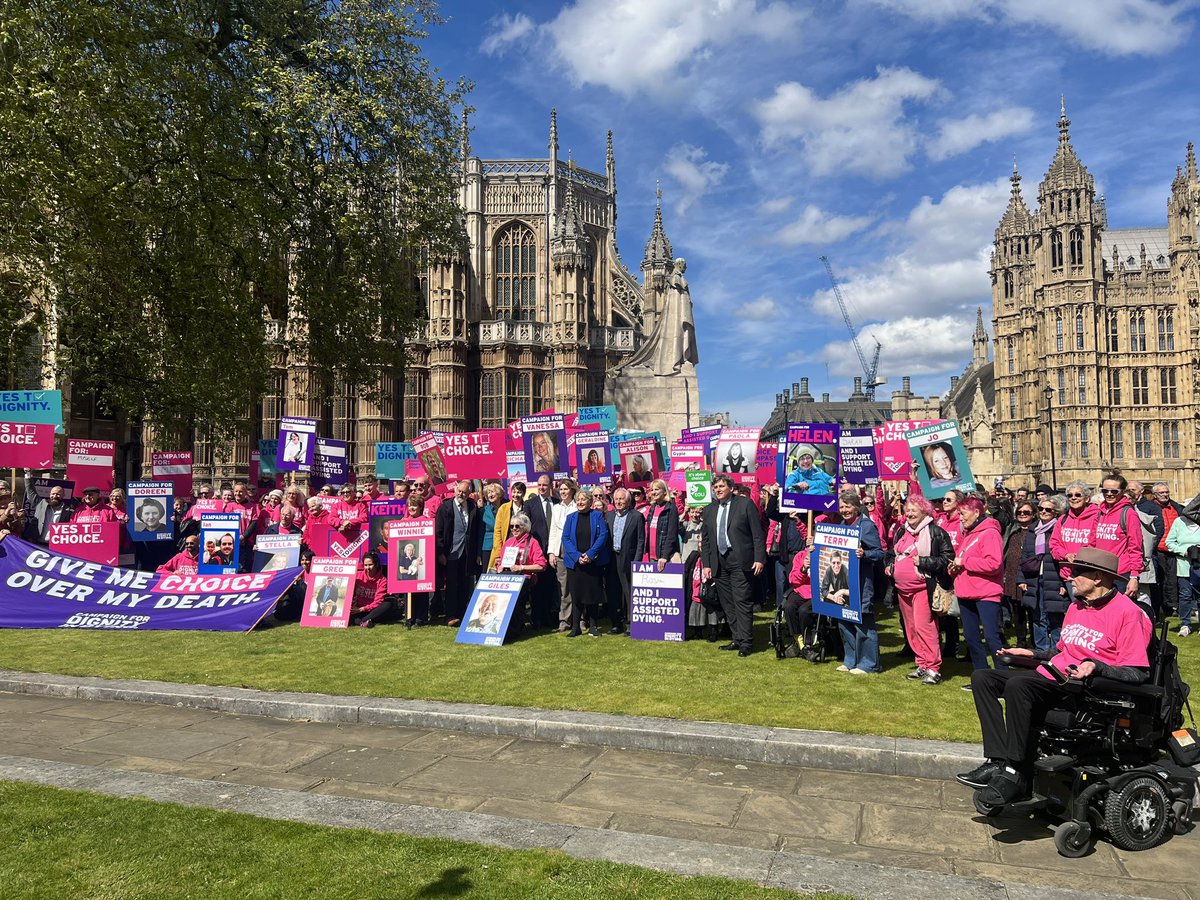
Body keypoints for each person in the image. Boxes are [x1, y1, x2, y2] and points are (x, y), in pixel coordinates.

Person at [958, 548, 1152, 805]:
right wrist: (1031, 653)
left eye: (1076, 573)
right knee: (983, 677)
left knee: (1019, 684)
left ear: (1097, 577)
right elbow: (1062, 650)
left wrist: (1096, 666)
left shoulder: (1129, 614)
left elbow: (1137, 671)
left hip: (1085, 688)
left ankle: (1015, 771)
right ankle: (996, 760)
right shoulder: (1077, 607)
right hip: (1055, 675)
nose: (1070, 578)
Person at [887, 495, 953, 685]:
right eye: (907, 511)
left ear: (925, 511)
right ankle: (922, 663)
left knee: (925, 627)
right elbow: (894, 553)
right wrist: (890, 565)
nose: (909, 514)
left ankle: (934, 668)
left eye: (913, 510)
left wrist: (923, 562)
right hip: (902, 589)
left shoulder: (936, 533)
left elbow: (947, 559)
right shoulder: (902, 531)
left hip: (923, 588)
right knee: (911, 628)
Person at [701, 474, 764, 656]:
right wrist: (707, 563)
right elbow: (705, 540)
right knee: (728, 603)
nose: (718, 490)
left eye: (721, 486)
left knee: (741, 600)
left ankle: (746, 642)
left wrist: (759, 558)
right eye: (715, 487)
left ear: (730, 487)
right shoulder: (710, 509)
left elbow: (757, 534)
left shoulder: (744, 505)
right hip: (719, 562)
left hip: (741, 560)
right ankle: (737, 638)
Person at [827, 490, 885, 674]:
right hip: (843, 583)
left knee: (863, 623)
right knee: (844, 621)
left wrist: (864, 554)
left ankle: (869, 663)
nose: (844, 510)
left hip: (861, 582)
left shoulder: (866, 526)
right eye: (842, 507)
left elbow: (879, 552)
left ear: (857, 507)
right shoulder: (841, 525)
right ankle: (851, 660)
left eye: (848, 506)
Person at [951, 494, 1005, 677]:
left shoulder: (990, 533)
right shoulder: (968, 535)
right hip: (967, 593)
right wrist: (954, 567)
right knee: (972, 638)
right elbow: (963, 561)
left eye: (963, 513)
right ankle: (982, 676)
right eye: (959, 514)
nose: (960, 518)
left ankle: (1003, 675)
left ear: (976, 512)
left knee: (991, 637)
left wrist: (964, 561)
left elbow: (994, 564)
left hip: (986, 593)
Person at [1019, 493, 1069, 653]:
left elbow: (1062, 559)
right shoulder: (1033, 530)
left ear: (1056, 513)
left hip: (1053, 579)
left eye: (1048, 509)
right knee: (1038, 618)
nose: (1044, 511)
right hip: (1034, 579)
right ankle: (1041, 651)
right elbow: (1025, 556)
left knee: (1055, 617)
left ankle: (1056, 651)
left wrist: (1063, 583)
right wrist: (1021, 579)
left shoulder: (1059, 529)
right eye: (1041, 508)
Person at [562, 489, 611, 637]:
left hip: (593, 562)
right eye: (578, 499)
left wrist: (590, 554)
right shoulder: (570, 518)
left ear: (590, 502)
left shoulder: (597, 516)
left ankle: (593, 626)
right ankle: (575, 627)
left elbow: (603, 535)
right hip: (575, 563)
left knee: (592, 595)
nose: (580, 502)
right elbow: (566, 538)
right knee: (576, 595)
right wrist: (578, 556)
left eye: (583, 499)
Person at [435, 479, 483, 627]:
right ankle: (450, 614)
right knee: (451, 585)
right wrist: (441, 552)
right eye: (459, 491)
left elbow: (475, 530)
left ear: (469, 493)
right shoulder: (445, 507)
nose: (461, 494)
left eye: (464, 492)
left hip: (467, 553)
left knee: (464, 584)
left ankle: (462, 614)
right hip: (451, 552)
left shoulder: (472, 506)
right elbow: (439, 532)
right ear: (455, 491)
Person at [1092, 473, 1144, 598]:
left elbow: (1136, 547)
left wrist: (1134, 577)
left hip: (1121, 574)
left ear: (1122, 491)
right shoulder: (1099, 513)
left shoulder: (1129, 514)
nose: (1109, 494)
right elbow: (1092, 543)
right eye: (1105, 490)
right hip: (1100, 573)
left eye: (1114, 491)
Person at [605, 487, 645, 635]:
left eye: (621, 499)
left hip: (628, 558)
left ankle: (630, 623)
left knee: (628, 593)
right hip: (611, 559)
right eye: (616, 499)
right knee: (613, 592)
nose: (619, 502)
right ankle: (616, 623)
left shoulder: (636, 516)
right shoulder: (608, 516)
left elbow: (641, 540)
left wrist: (637, 561)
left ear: (628, 500)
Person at [1003, 500, 1037, 648]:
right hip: (1011, 575)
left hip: (1030, 576)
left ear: (1033, 514)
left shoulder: (1037, 531)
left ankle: (1035, 642)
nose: (1022, 515)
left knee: (1032, 612)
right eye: (1020, 513)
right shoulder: (1012, 530)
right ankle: (1021, 641)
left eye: (1026, 512)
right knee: (1018, 612)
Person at [1165, 496, 1200, 636]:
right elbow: (1169, 542)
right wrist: (1183, 551)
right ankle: (1185, 624)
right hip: (1184, 566)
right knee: (1185, 595)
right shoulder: (1178, 522)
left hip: (1199, 566)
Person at [547, 479, 577, 633]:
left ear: (572, 490)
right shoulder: (556, 508)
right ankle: (564, 621)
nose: (563, 492)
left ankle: (580, 619)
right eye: (561, 489)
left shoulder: (577, 505)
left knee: (577, 586)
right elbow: (553, 530)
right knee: (563, 587)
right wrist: (551, 552)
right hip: (559, 550)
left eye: (566, 489)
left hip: (575, 550)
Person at [1151, 483, 1184, 616]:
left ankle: (1172, 607)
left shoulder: (1176, 507)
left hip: (1173, 548)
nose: (1165, 495)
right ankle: (1161, 607)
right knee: (1160, 579)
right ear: (1155, 495)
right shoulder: (1151, 508)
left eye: (1166, 492)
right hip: (1158, 548)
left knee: (1173, 579)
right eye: (1161, 493)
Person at [488, 481, 526, 571]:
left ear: (523, 494)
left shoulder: (527, 507)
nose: (515, 495)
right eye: (514, 492)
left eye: (519, 492)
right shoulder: (503, 508)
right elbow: (497, 531)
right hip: (506, 548)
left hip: (522, 549)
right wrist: (498, 553)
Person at [349, 552, 394, 628]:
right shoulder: (357, 575)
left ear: (376, 565)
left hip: (371, 609)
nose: (367, 568)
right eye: (365, 565)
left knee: (387, 604)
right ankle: (366, 621)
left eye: (370, 565)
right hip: (357, 609)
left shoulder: (383, 580)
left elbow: (378, 601)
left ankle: (362, 621)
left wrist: (363, 609)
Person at [22, 480, 70, 544]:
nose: (55, 496)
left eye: (58, 494)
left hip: (56, 546)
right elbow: (30, 491)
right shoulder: (41, 504)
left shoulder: (68, 511)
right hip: (37, 544)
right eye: (53, 494)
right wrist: (28, 474)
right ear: (50, 494)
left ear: (63, 495)